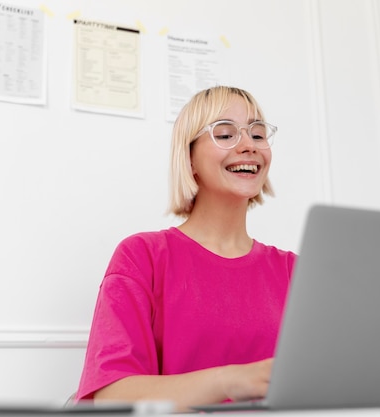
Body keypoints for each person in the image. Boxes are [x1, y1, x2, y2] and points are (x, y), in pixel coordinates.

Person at [75, 86, 297, 411]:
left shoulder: (295, 270)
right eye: (225, 134)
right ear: (190, 158)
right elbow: (111, 396)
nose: (249, 145)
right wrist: (231, 382)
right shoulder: (143, 257)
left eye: (258, 134)